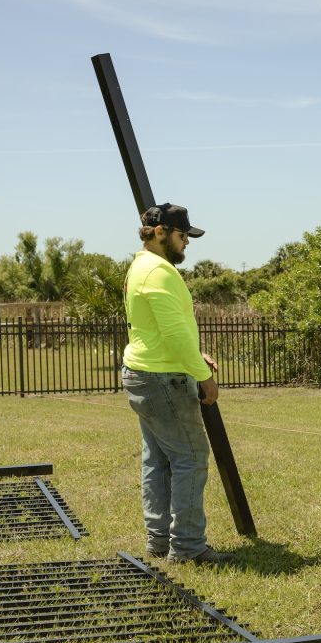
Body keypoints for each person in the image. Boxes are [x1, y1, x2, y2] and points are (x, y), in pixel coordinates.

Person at [121, 203, 232, 565]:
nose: (187, 243)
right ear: (159, 232)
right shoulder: (160, 272)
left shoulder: (139, 267)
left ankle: (158, 541)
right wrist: (205, 377)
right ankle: (186, 547)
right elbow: (173, 334)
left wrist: (196, 358)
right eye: (183, 235)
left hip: (143, 373)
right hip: (162, 379)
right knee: (189, 458)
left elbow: (163, 330)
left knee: (157, 460)